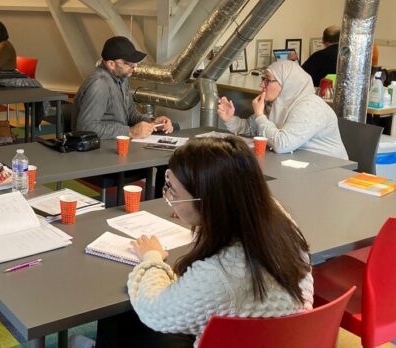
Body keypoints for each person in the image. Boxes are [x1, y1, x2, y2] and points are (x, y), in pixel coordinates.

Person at [95, 137, 314, 347]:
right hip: (284, 339)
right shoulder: (278, 219)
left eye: (173, 192)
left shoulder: (218, 274)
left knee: (123, 316)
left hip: (234, 339)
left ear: (207, 201)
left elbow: (154, 308)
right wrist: (199, 215)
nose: (169, 198)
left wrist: (151, 257)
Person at [217, 60, 348, 159]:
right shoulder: (278, 103)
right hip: (300, 164)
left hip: (330, 170)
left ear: (287, 83)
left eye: (267, 80)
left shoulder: (310, 107)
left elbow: (282, 144)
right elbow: (253, 129)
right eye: (263, 79)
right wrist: (230, 119)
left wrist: (260, 116)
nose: (261, 84)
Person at [72, 36, 173, 139]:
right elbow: (85, 128)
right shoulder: (99, 85)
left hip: (112, 145)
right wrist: (130, 132)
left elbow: (130, 114)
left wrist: (152, 123)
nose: (134, 66)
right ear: (111, 64)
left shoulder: (121, 78)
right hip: (97, 150)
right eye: (129, 63)